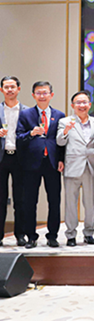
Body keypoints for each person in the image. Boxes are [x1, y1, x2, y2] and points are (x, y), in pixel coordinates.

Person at [16, 81, 65, 248]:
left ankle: (53, 236)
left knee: (54, 201)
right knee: (29, 201)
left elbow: (62, 141)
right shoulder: (25, 114)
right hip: (31, 164)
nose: (42, 96)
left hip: (52, 163)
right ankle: (31, 236)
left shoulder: (59, 115)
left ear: (51, 95)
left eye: (45, 92)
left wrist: (61, 159)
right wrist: (31, 133)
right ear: (33, 95)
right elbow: (18, 137)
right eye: (38, 93)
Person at [56, 90, 94, 246]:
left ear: (90, 104)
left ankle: (89, 233)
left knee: (90, 203)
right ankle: (70, 235)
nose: (82, 105)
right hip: (72, 166)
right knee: (70, 203)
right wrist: (66, 131)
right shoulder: (65, 122)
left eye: (84, 102)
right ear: (72, 105)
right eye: (78, 102)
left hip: (91, 166)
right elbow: (60, 142)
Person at [0, 76, 27, 246]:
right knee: (0, 199)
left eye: (12, 87)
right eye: (6, 87)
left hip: (20, 158)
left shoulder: (27, 111)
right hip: (1, 157)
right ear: (1, 90)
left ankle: (20, 235)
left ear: (18, 89)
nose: (10, 90)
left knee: (21, 199)